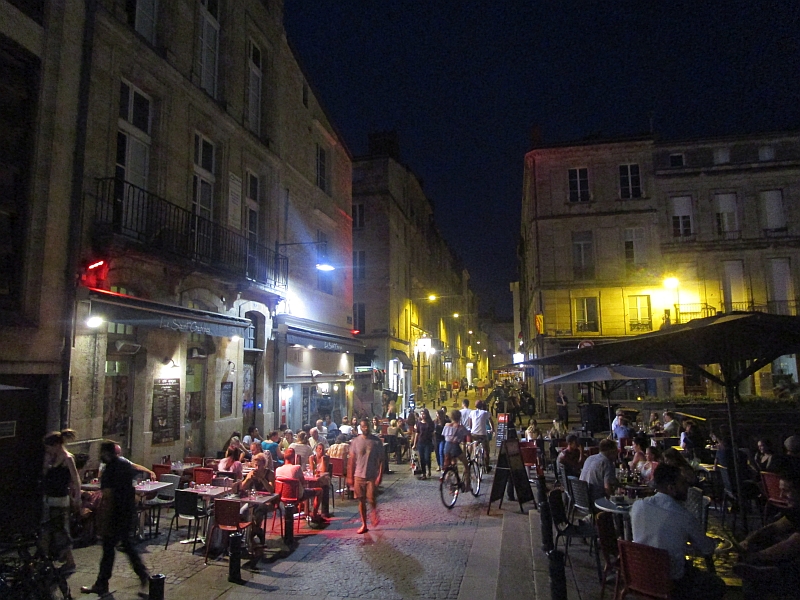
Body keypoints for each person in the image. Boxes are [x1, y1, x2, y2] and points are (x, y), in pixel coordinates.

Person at [630, 463, 726, 600]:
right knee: (716, 584)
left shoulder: (637, 506)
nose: (687, 486)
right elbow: (707, 548)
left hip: (640, 576)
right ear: (671, 488)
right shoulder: (684, 517)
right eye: (682, 483)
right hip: (671, 583)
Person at [81, 441, 149, 596]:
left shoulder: (110, 469)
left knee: (111, 550)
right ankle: (142, 576)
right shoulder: (125, 465)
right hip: (126, 512)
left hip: (114, 515)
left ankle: (103, 583)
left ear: (106, 453)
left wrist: (103, 520)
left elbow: (108, 497)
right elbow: (132, 488)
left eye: (101, 453)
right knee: (123, 547)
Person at [733, 463, 800, 599]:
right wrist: (749, 541)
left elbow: (792, 544)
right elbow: (775, 527)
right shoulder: (796, 508)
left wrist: (757, 556)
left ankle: (775, 574)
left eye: (786, 490)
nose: (781, 495)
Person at [41, 429, 81, 576]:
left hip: (60, 499)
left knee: (61, 532)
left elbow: (76, 479)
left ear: (57, 445)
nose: (48, 450)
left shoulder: (67, 459)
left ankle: (70, 562)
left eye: (49, 447)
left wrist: (77, 497)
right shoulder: (51, 457)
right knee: (46, 531)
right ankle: (45, 561)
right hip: (49, 498)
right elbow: (46, 474)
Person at [346, 418, 385, 534]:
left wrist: (380, 475)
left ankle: (374, 511)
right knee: (361, 500)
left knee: (372, 498)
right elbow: (352, 460)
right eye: (363, 426)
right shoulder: (355, 442)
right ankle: (364, 524)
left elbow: (382, 460)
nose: (365, 428)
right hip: (358, 475)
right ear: (360, 427)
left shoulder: (376, 442)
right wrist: (350, 476)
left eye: (367, 426)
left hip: (371, 475)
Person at [276, 448, 325, 523]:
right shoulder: (297, 468)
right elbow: (304, 483)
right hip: (297, 496)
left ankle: (305, 511)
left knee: (304, 491)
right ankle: (314, 514)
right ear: (294, 457)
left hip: (282, 497)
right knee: (320, 491)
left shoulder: (278, 470)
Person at [239, 453, 274, 552]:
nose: (257, 467)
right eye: (255, 465)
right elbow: (242, 488)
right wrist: (248, 479)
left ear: (264, 464)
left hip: (267, 501)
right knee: (242, 512)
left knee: (258, 513)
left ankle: (251, 535)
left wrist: (262, 479)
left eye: (259, 465)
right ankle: (256, 533)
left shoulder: (269, 474)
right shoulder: (252, 473)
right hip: (254, 500)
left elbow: (271, 490)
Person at [441, 409, 471, 488]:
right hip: (455, 446)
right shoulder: (460, 427)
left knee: (452, 463)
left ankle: (451, 482)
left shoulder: (447, 425)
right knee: (466, 463)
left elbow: (444, 435)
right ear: (459, 417)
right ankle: (467, 484)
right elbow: (468, 435)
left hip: (447, 446)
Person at [465, 400, 494, 471]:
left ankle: (476, 457)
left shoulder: (472, 412)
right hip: (483, 435)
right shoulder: (485, 413)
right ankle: (487, 467)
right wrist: (493, 429)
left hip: (474, 434)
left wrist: (472, 428)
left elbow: (470, 422)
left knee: (475, 443)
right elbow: (491, 421)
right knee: (487, 451)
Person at [414, 408, 435, 479]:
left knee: (427, 457)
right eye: (421, 414)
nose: (422, 415)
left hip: (428, 442)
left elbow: (433, 434)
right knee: (422, 458)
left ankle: (429, 469)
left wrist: (434, 443)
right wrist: (414, 443)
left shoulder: (430, 423)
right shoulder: (419, 423)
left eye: (424, 414)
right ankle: (424, 473)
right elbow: (417, 433)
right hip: (420, 442)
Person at [434, 408, 450, 472]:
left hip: (443, 438)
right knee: (437, 452)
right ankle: (439, 464)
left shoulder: (446, 421)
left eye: (437, 414)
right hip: (436, 438)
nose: (437, 416)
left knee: (441, 451)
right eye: (436, 414)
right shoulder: (435, 422)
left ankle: (442, 466)